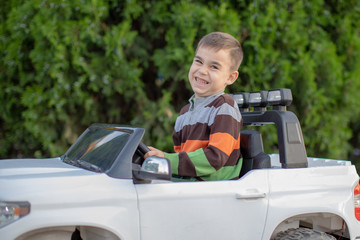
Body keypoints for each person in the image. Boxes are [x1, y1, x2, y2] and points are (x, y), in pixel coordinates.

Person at [144, 32, 243, 181]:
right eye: (199, 61)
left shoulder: (224, 107)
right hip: (191, 186)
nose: (202, 70)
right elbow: (181, 161)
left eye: (214, 67)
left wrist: (168, 159)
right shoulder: (184, 113)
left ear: (230, 77)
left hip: (215, 191)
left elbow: (215, 158)